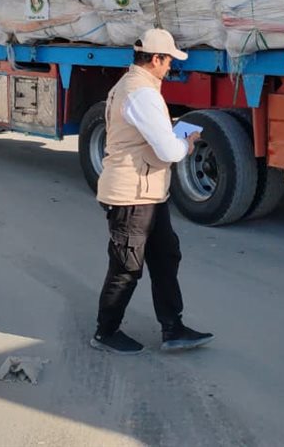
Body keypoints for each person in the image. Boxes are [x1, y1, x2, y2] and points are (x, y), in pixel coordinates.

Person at [90, 28, 214, 355]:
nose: (171, 66)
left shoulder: (135, 86)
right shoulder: (141, 93)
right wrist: (186, 144)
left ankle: (173, 328)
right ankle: (105, 332)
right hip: (131, 195)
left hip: (149, 192)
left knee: (165, 256)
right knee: (127, 267)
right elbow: (168, 150)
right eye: (169, 60)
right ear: (156, 58)